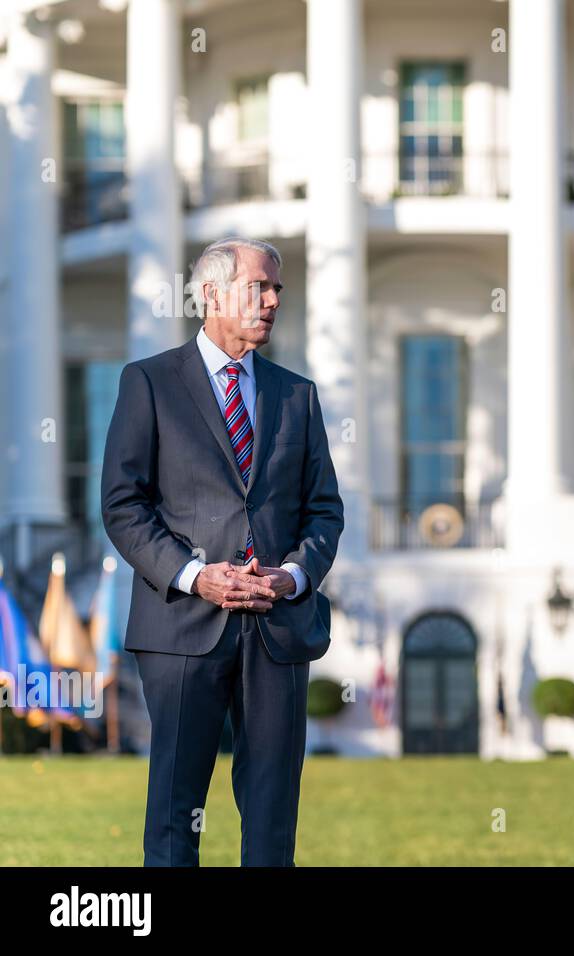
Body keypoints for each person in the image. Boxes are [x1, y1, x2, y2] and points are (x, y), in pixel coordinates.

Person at [101, 236, 344, 866]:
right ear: (210, 295)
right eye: (257, 288)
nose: (271, 301)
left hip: (277, 630)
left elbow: (324, 511)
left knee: (271, 821)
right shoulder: (149, 383)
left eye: (276, 290)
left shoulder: (299, 396)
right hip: (182, 628)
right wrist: (193, 575)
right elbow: (123, 505)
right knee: (176, 816)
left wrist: (292, 577)